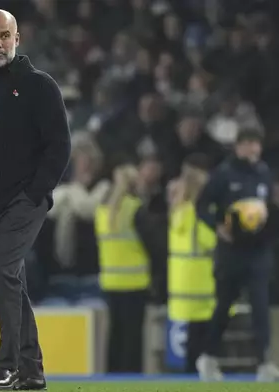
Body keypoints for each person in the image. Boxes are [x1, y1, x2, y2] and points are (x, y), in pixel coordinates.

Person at [0, 9, 71, 391]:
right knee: (12, 284)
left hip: (26, 200)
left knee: (4, 274)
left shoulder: (41, 86)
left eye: (4, 35)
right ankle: (33, 371)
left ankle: (6, 366)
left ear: (17, 38)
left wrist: (37, 192)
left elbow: (59, 146)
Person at [195, 129, 279, 382]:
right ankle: (208, 357)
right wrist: (217, 227)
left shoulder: (264, 172)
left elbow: (268, 210)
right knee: (223, 307)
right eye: (250, 144)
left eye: (258, 145)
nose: (255, 150)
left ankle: (264, 363)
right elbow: (202, 205)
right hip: (231, 253)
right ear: (239, 146)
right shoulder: (223, 174)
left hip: (258, 253)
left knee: (260, 308)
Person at [95, 164, 165, 374]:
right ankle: (130, 379)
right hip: (134, 283)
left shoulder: (102, 211)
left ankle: (110, 378)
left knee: (114, 335)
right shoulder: (135, 210)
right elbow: (156, 246)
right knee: (132, 339)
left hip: (110, 282)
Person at [167, 154, 217, 373]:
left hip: (181, 288)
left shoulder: (177, 212)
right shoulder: (200, 215)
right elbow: (213, 241)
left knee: (191, 346)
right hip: (202, 288)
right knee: (202, 346)